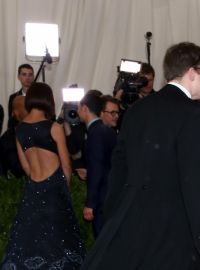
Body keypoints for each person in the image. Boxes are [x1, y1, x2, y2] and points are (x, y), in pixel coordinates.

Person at [80, 42, 200, 269]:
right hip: (174, 233)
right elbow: (194, 181)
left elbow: (119, 170)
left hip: (133, 228)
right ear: (192, 72)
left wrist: (114, 222)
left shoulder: (137, 109)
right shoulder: (193, 113)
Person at [0, 82, 85, 269]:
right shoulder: (54, 127)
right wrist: (65, 189)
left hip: (33, 190)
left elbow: (26, 167)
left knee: (30, 241)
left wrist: (37, 184)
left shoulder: (19, 129)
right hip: (55, 189)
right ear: (48, 100)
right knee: (59, 242)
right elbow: (66, 165)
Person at [77, 93, 117, 238]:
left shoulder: (95, 133)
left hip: (102, 199)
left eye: (78, 108)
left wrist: (90, 203)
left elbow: (98, 168)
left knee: (102, 242)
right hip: (112, 195)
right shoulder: (108, 132)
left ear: (85, 108)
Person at [8, 64, 34, 129]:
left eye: (30, 75)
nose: (27, 78)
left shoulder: (39, 96)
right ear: (19, 77)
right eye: (24, 74)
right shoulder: (13, 97)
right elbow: (11, 121)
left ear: (33, 77)